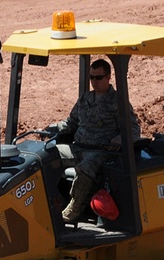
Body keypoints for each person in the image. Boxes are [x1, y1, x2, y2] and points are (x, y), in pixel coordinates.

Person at [47, 58, 141, 223]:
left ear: (108, 77)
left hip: (101, 152)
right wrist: (53, 128)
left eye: (98, 77)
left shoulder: (117, 101)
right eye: (91, 77)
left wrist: (117, 141)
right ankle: (51, 203)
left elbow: (133, 130)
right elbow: (71, 123)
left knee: (86, 167)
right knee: (47, 156)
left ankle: (73, 210)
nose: (94, 82)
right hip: (78, 147)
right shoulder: (85, 99)